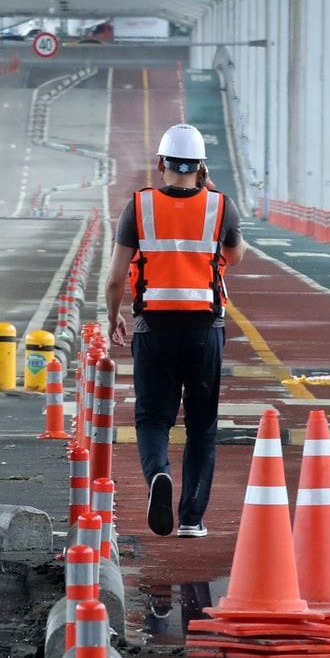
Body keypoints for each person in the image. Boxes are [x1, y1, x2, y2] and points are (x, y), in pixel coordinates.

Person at [105, 123, 246, 537]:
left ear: (162, 163)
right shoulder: (221, 206)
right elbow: (234, 257)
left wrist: (113, 315)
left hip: (153, 327)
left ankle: (158, 478)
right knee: (202, 425)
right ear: (201, 166)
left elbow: (115, 277)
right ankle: (191, 518)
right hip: (205, 328)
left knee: (152, 418)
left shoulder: (139, 207)